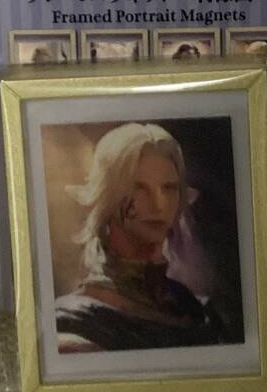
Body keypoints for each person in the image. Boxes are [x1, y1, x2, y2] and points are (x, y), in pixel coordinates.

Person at [54, 122, 234, 352]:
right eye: (139, 188)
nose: (158, 204)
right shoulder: (75, 322)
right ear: (109, 196)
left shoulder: (189, 305)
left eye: (169, 188)